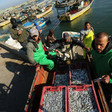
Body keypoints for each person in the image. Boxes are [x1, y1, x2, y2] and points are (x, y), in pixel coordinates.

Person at [91, 32, 112, 103]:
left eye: (101, 45)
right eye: (96, 44)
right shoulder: (94, 51)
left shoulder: (110, 55)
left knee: (107, 97)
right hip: (98, 78)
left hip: (108, 83)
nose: (98, 47)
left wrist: (109, 79)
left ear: (108, 42)